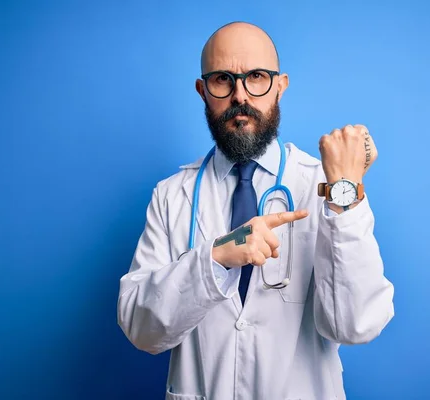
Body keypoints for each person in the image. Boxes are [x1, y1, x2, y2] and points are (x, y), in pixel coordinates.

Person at [117, 21, 395, 400]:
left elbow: (355, 324)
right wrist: (215, 258)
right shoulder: (171, 195)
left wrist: (344, 192)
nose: (240, 95)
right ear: (202, 91)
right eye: (222, 80)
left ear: (280, 85)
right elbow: (141, 328)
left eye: (257, 77)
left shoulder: (326, 185)